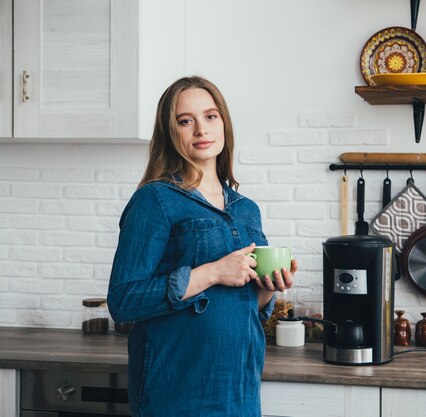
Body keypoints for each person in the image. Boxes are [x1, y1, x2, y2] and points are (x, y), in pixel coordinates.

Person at [107, 75, 296, 417]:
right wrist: (212, 273)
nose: (201, 129)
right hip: (178, 390)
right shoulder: (155, 200)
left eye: (210, 116)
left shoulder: (245, 209)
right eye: (185, 121)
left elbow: (245, 304)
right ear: (171, 132)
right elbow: (123, 300)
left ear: (224, 123)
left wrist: (269, 289)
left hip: (239, 389)